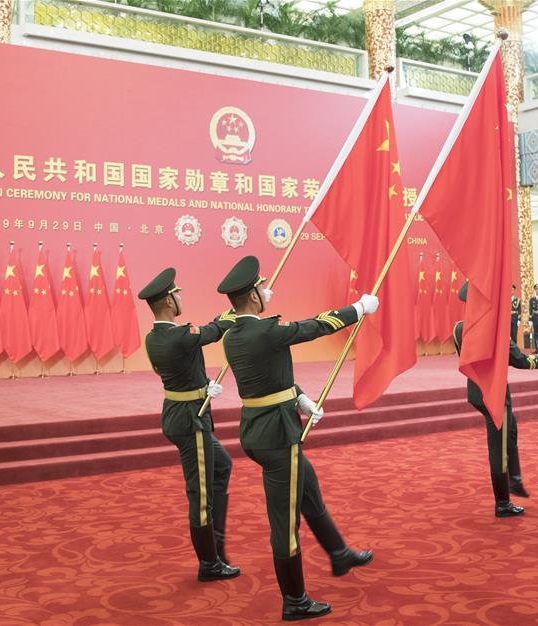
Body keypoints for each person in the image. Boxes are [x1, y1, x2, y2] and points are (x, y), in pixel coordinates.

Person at [218, 256, 374, 622]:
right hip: (276, 435)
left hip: (261, 429)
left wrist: (300, 399)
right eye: (261, 288)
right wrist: (358, 309)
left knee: (309, 493)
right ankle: (294, 600)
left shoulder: (233, 335)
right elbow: (315, 326)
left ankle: (339, 554)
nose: (266, 291)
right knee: (285, 523)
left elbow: (270, 376)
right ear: (253, 297)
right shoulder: (266, 331)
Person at [138, 268, 239, 582]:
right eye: (177, 294)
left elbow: (182, 367)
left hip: (178, 412)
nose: (181, 298)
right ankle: (209, 564)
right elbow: (215, 330)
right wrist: (241, 309)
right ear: (169, 301)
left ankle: (215, 545)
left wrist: (203, 385)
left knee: (222, 465)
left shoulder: (154, 338)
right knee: (200, 494)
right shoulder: (181, 335)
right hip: (190, 420)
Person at [453, 282, 538, 516]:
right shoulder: (492, 329)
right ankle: (502, 502)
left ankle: (514, 480)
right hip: (494, 394)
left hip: (475, 391)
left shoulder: (459, 328)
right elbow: (518, 359)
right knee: (499, 447)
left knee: (510, 431)